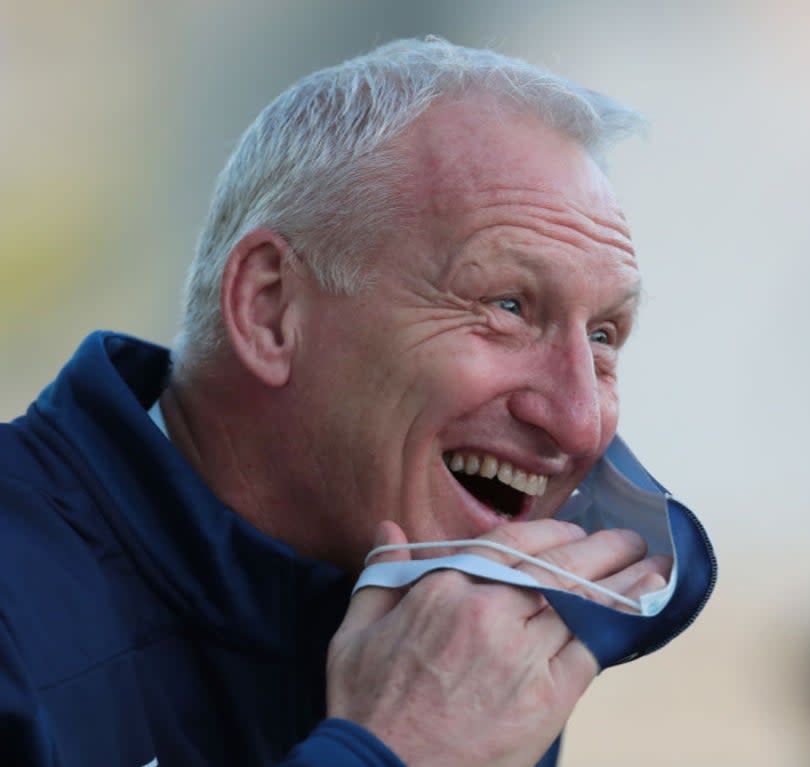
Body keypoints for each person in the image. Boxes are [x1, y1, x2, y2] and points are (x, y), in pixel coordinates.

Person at [0, 37, 714, 767]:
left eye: (603, 335)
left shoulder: (462, 636)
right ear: (271, 308)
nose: (581, 420)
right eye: (506, 304)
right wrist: (389, 752)